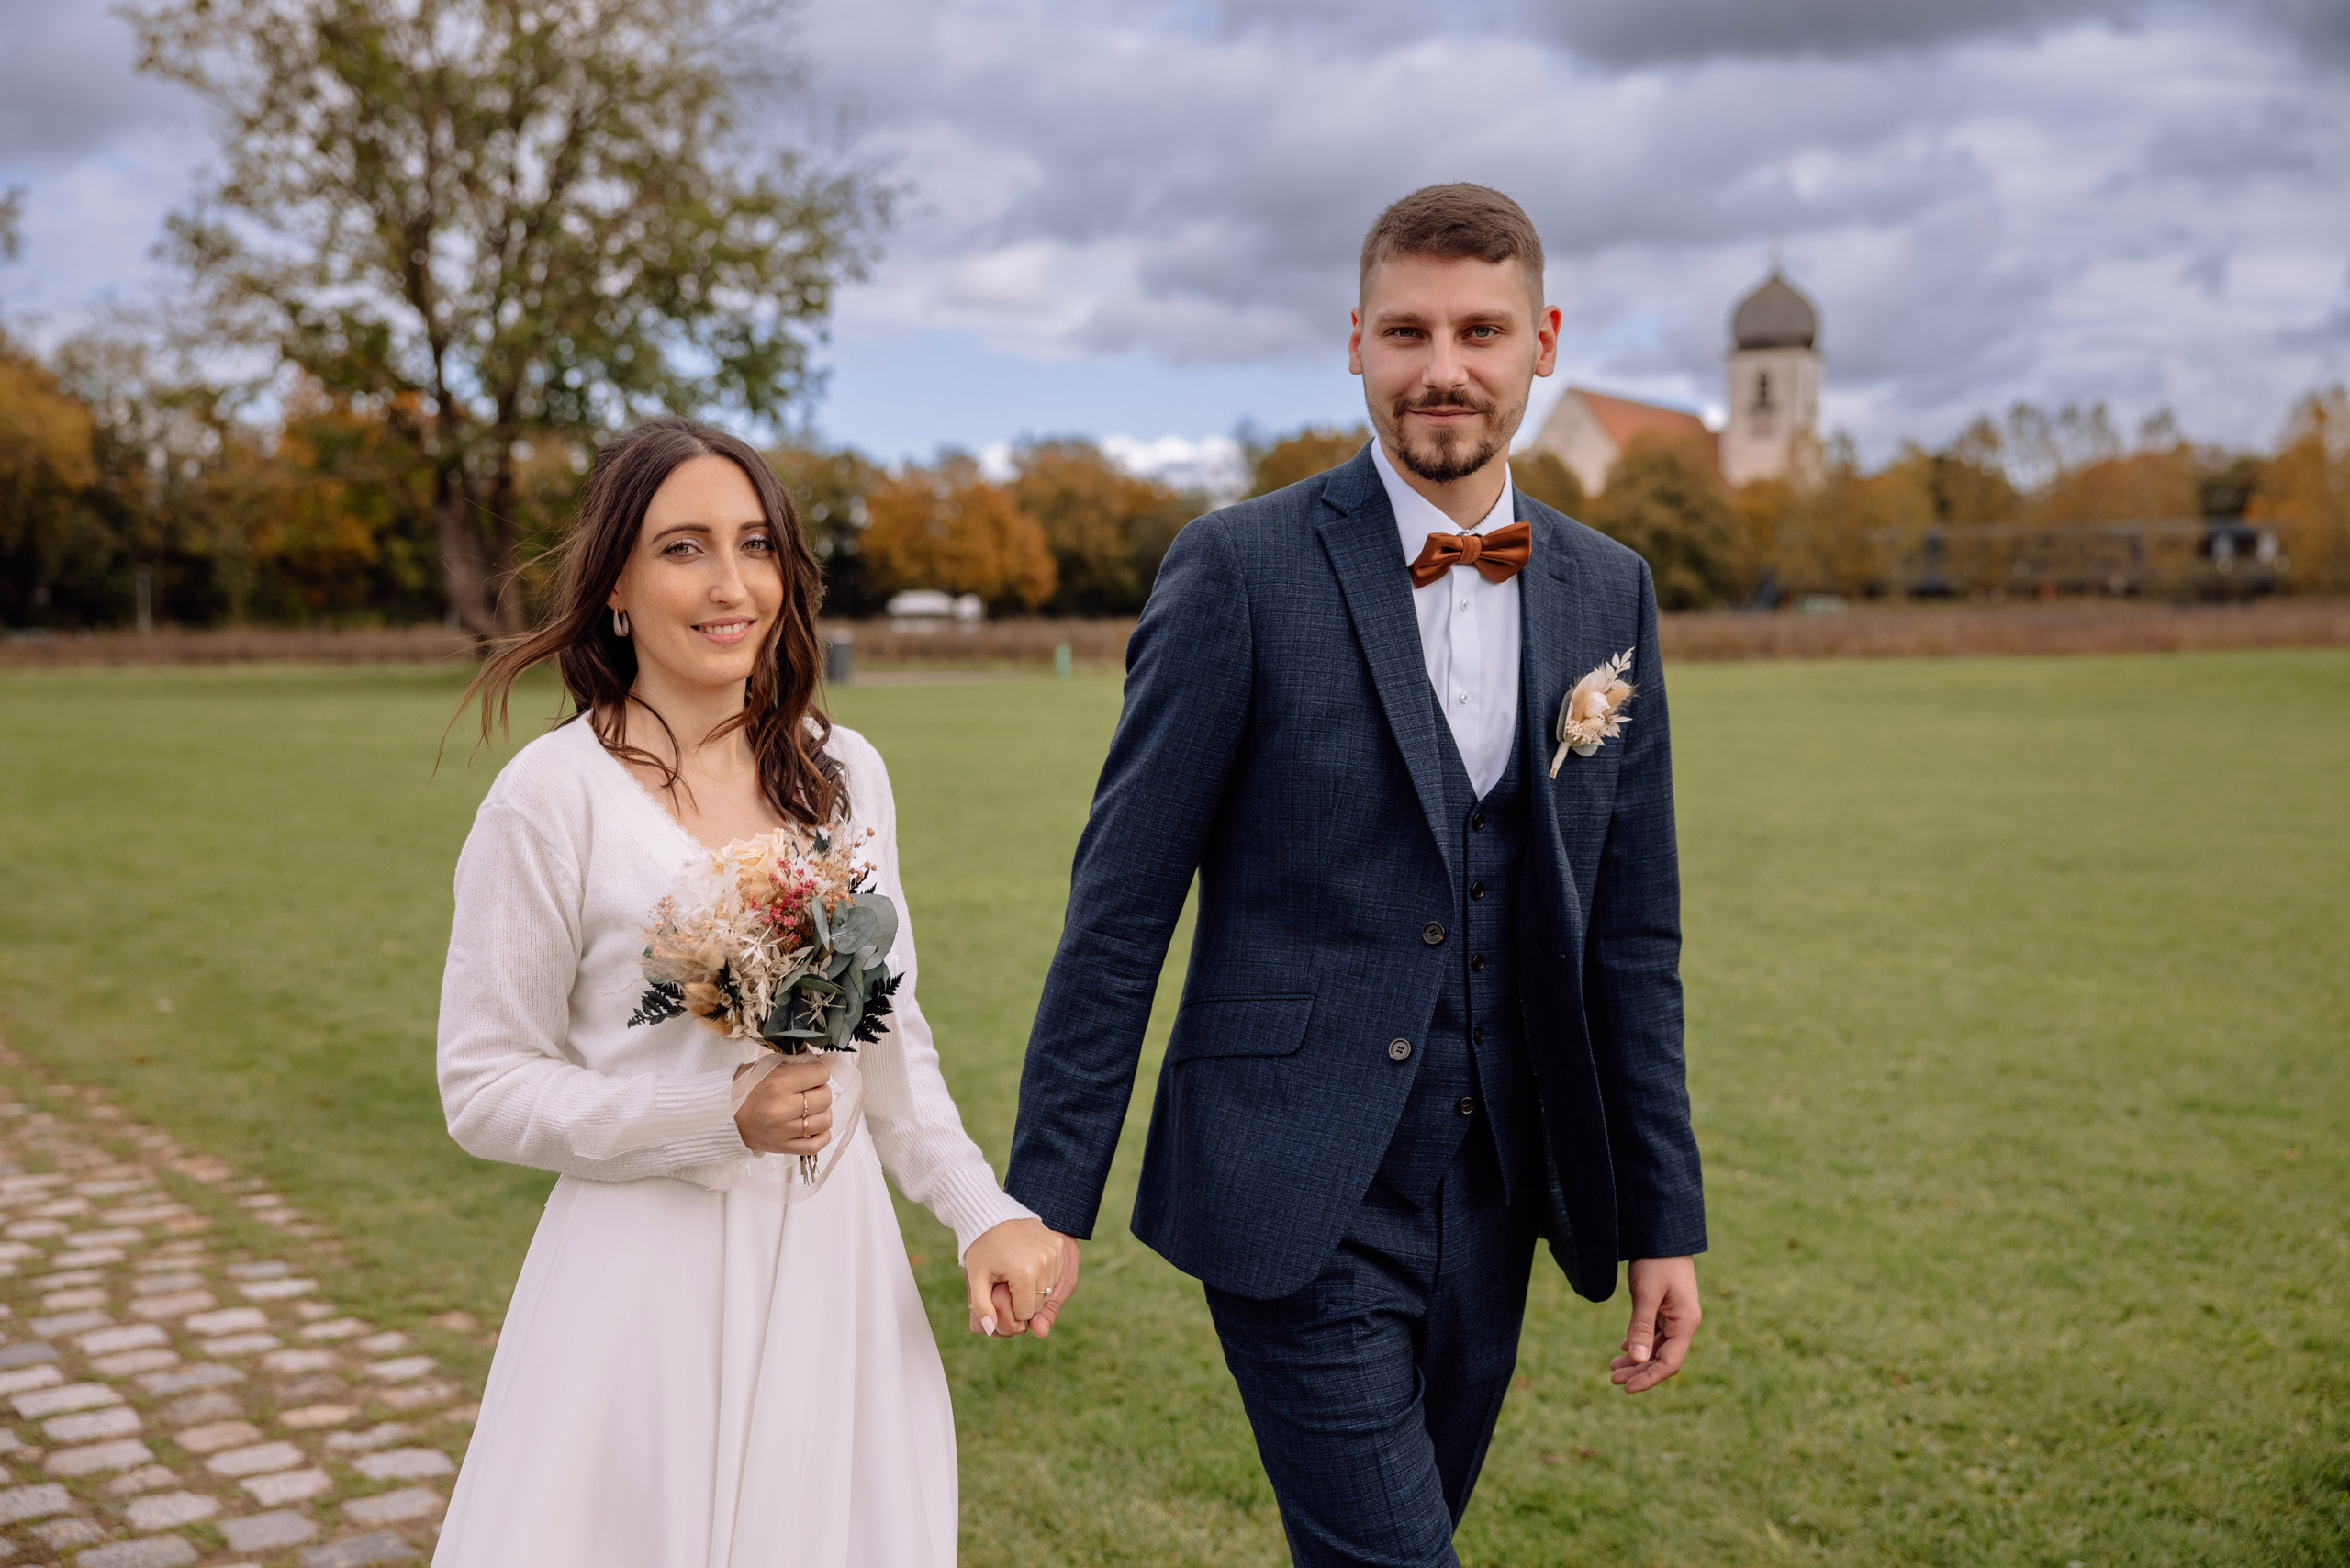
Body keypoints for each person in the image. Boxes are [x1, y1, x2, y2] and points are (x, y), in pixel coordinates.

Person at [1004, 185, 1707, 1564]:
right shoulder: (1239, 569)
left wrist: (1661, 1218)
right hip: (1291, 1179)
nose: (1443, 368)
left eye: (1480, 331)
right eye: (1408, 331)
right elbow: (1121, 903)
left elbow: (1633, 935)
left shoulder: (1605, 589)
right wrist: (1044, 1199)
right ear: (1356, 344)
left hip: (1504, 1191)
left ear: (1542, 342)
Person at [431, 417, 1067, 1567]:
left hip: (836, 1270)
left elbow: (893, 1042)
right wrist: (711, 1117)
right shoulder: (550, 799)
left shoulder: (843, 770)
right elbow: (481, 1086)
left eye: (757, 545)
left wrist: (984, 1212)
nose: (732, 585)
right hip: (642, 1284)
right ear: (615, 582)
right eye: (684, 548)